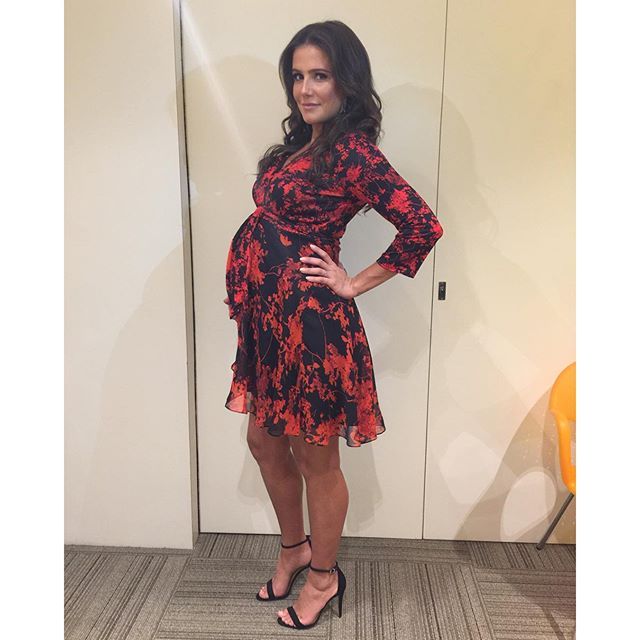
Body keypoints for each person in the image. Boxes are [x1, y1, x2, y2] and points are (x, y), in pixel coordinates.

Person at [222, 20, 444, 630]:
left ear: (346, 81)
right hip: (271, 327)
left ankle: (323, 576)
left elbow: (422, 225)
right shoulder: (302, 145)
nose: (305, 89)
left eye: (319, 75)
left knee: (314, 457)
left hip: (313, 330)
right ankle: (294, 549)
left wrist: (353, 282)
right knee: (264, 441)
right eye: (297, 76)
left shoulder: (353, 153)